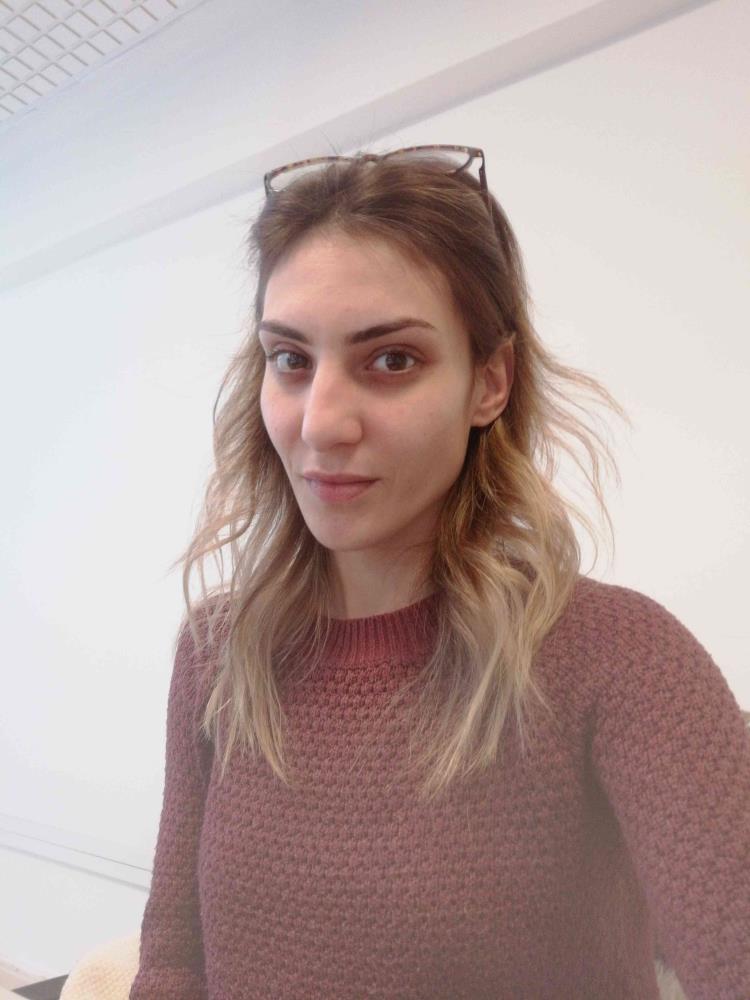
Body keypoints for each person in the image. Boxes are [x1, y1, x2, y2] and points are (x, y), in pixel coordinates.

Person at [129, 145, 750, 1000]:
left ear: (489, 382)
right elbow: (173, 962)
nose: (321, 423)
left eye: (391, 360)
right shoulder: (216, 652)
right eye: (291, 359)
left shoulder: (620, 659)